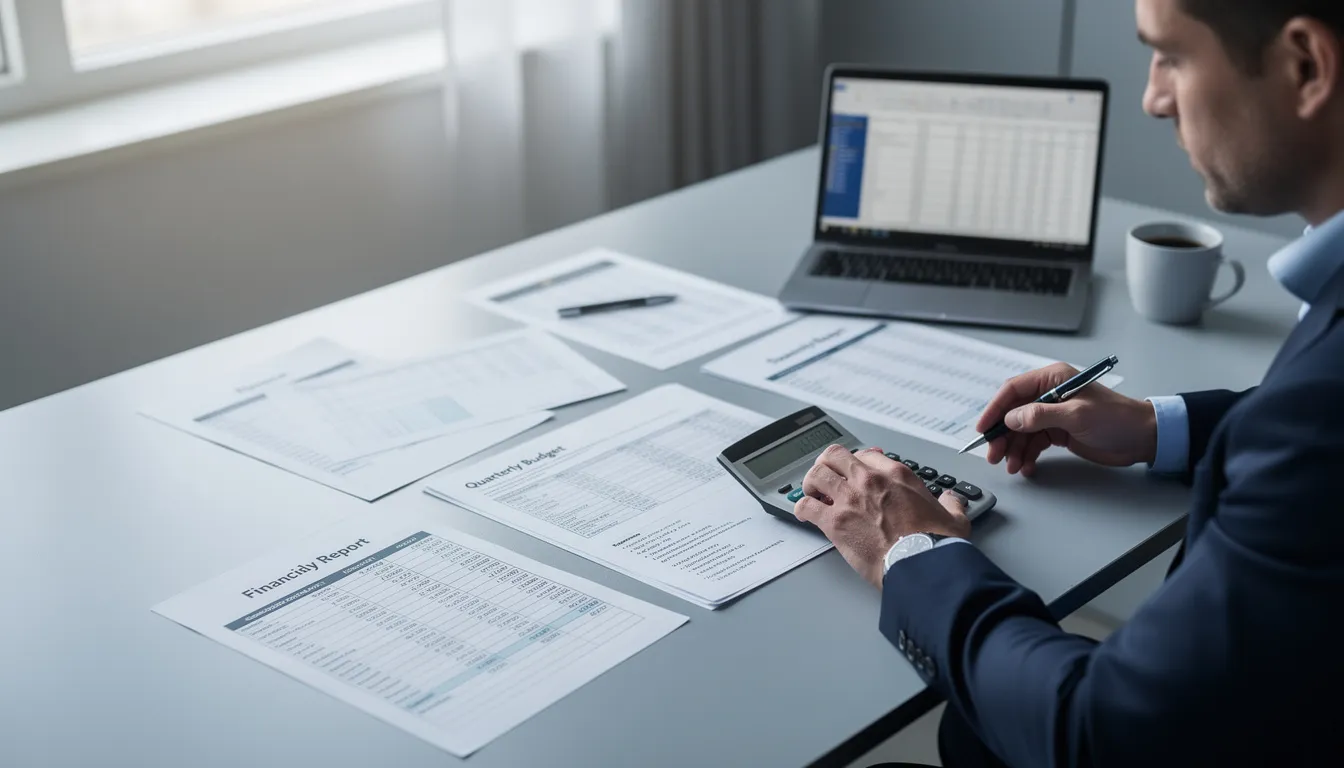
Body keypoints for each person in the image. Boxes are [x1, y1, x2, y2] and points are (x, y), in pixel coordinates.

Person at [795, 0, 1344, 765]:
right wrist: (1156, 425)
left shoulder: (1317, 414)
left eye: (1173, 57)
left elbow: (1097, 734)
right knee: (971, 730)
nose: (1154, 96)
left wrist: (914, 551)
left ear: (1305, 67)